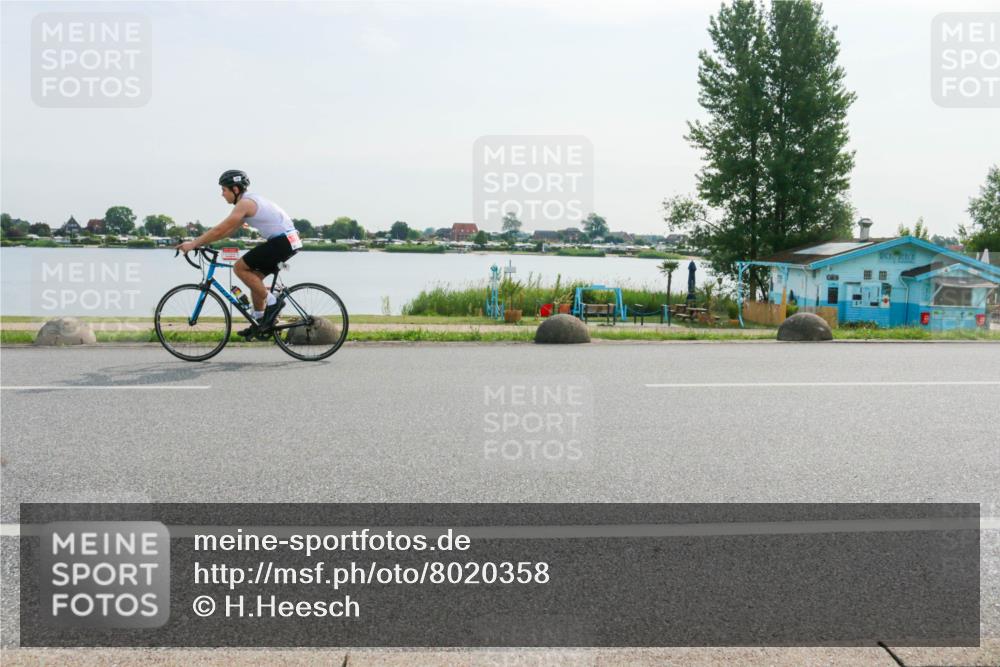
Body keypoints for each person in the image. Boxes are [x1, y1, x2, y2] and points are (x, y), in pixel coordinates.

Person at [176, 170, 302, 336]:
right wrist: (202, 243)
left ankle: (273, 302)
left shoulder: (245, 204)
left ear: (235, 189)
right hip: (289, 240)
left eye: (224, 190)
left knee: (239, 268)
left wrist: (193, 244)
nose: (222, 194)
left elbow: (221, 228)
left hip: (282, 241)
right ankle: (261, 322)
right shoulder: (249, 202)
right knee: (254, 278)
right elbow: (226, 232)